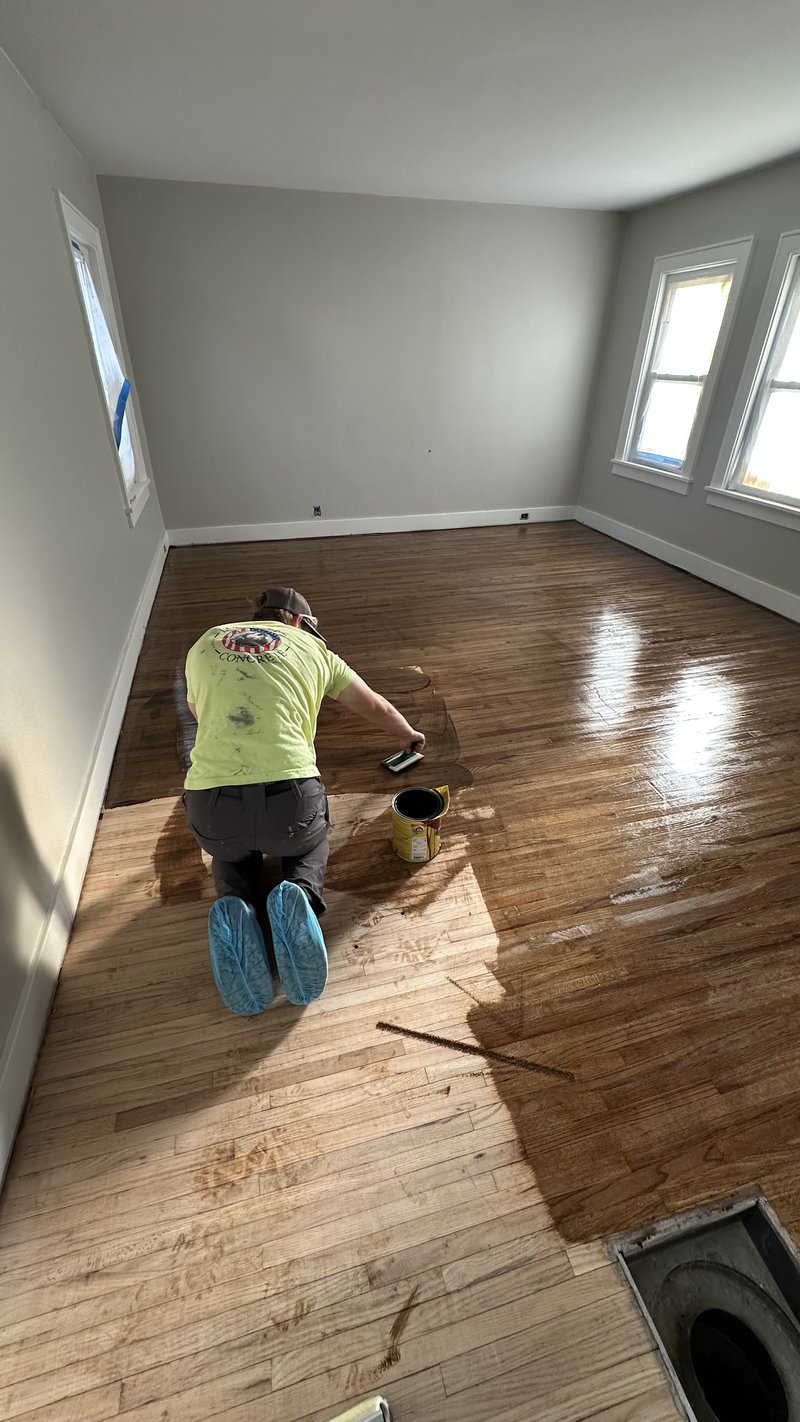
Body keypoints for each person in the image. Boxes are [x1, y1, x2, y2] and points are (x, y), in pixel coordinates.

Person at [183, 586, 424, 1014]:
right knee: (312, 840)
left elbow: (202, 716)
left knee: (230, 852)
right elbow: (373, 705)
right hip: (289, 802)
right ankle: (298, 892)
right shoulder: (313, 649)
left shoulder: (205, 642)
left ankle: (235, 901)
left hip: (210, 804)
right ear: (298, 621)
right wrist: (408, 734)